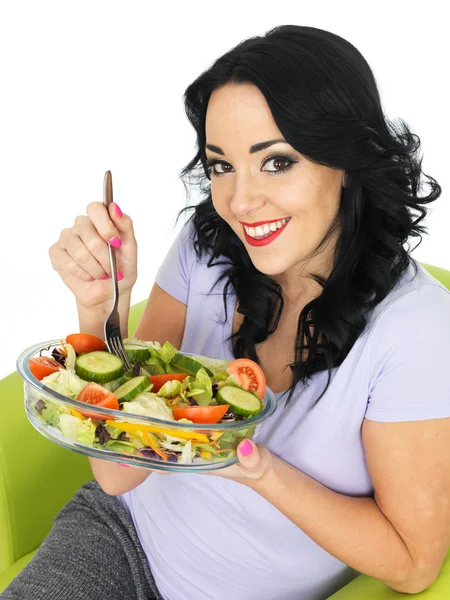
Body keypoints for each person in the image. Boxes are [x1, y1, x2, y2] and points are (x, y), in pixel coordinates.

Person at [3, 23, 450, 600]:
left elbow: (413, 564)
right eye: (221, 166)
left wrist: (255, 466)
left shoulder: (414, 329)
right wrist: (101, 312)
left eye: (276, 162)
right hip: (121, 537)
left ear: (346, 160)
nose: (240, 201)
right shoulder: (206, 247)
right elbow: (119, 476)